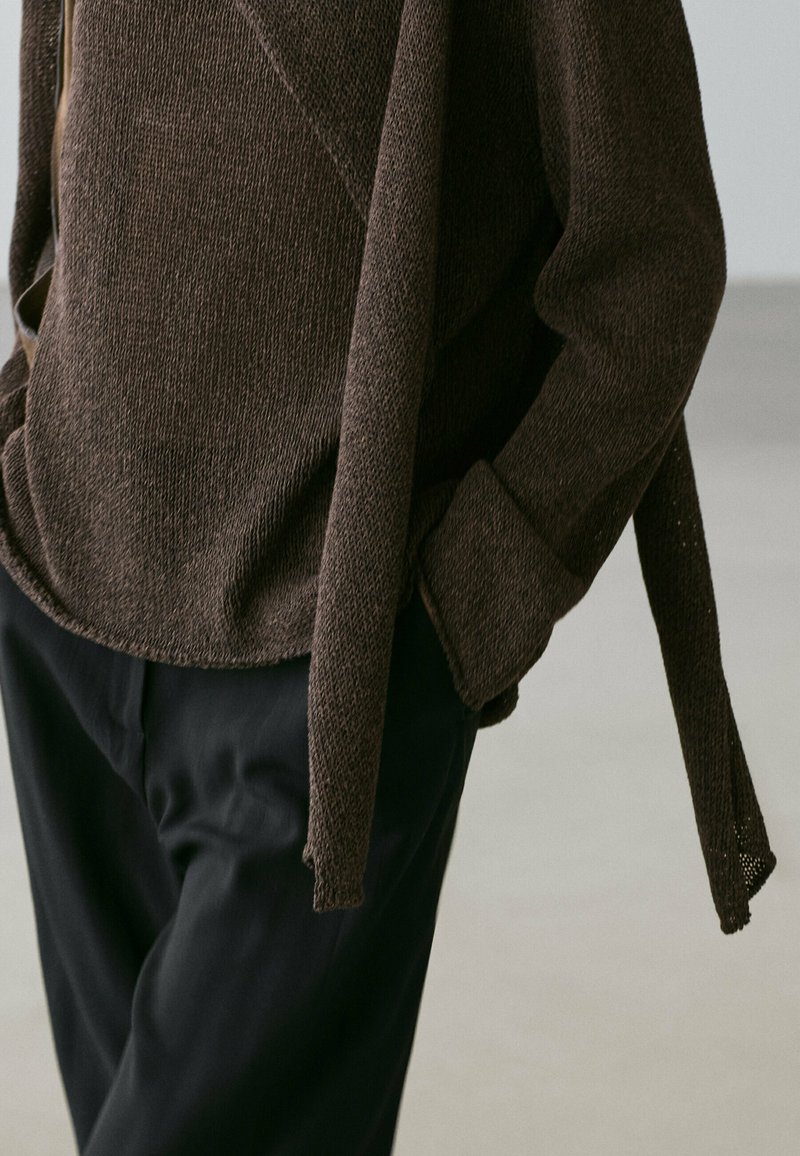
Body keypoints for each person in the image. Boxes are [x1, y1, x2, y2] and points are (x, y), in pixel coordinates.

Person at [0, 1, 776, 1153]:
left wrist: (473, 599)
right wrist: (34, 394)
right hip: (64, 597)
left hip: (328, 669)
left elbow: (650, 259)